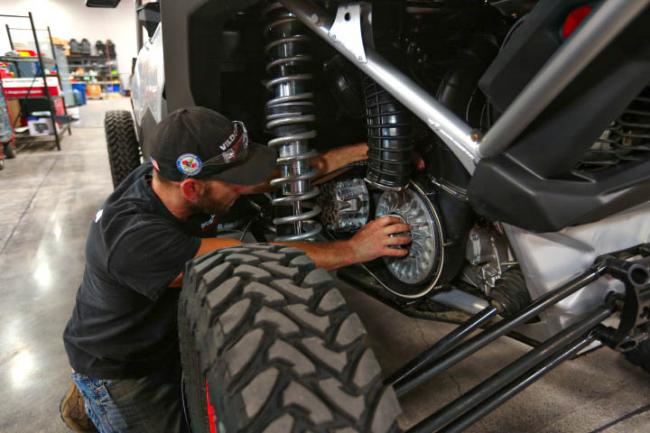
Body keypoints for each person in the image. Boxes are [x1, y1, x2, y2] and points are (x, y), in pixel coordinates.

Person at [61, 107, 411, 433]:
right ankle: (93, 405)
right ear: (192, 188)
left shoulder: (168, 178)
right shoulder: (135, 240)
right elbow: (256, 255)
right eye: (236, 182)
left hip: (159, 338)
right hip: (122, 372)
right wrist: (352, 249)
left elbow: (295, 172)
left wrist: (372, 151)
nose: (246, 187)